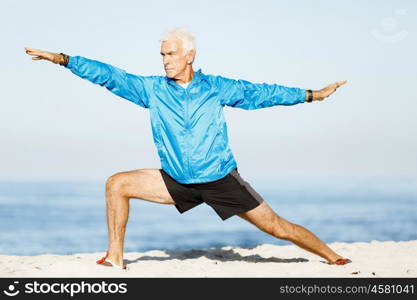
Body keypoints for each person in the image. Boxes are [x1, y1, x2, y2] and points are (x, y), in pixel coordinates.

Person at [24, 28, 350, 270]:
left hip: (219, 179)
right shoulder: (152, 90)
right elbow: (110, 76)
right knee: (117, 183)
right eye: (162, 55)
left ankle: (333, 257)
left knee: (277, 227)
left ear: (189, 56)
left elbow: (263, 93)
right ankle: (115, 258)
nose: (166, 61)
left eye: (171, 55)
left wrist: (313, 95)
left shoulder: (216, 88)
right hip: (177, 180)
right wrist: (65, 60)